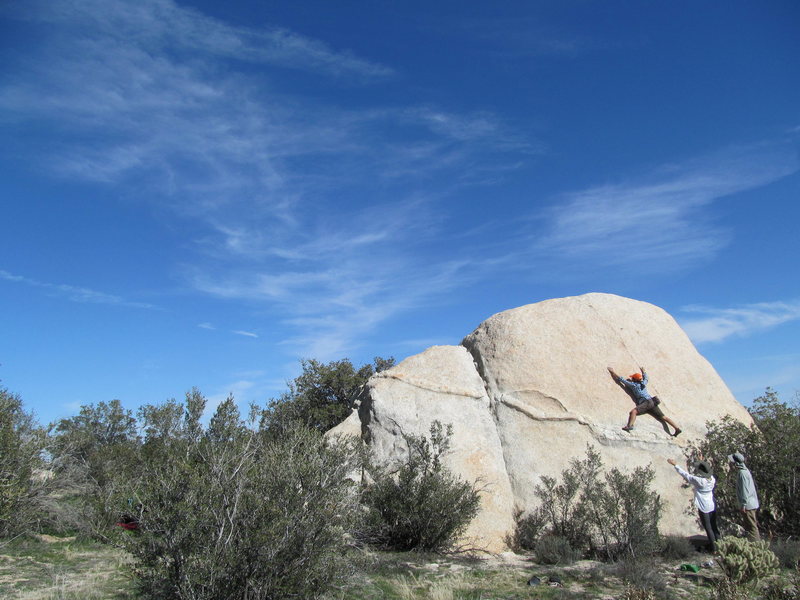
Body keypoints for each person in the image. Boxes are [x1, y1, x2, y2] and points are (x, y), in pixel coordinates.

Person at [607, 366, 681, 436]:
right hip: (652, 402)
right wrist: (643, 371)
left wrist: (613, 372)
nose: (631, 379)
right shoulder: (643, 383)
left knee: (633, 412)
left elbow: (622, 380)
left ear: (635, 380)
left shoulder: (634, 385)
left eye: (632, 378)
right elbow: (646, 378)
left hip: (646, 403)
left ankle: (630, 426)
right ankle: (677, 428)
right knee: (663, 417)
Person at [668, 456, 720, 552]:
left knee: (708, 528)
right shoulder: (712, 479)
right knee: (714, 526)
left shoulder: (700, 481)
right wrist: (701, 461)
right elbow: (704, 469)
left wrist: (675, 465)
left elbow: (686, 475)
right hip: (711, 503)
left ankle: (714, 549)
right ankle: (721, 546)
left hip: (703, 505)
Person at [728, 452, 760, 540]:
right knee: (750, 527)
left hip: (748, 505)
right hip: (751, 503)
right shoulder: (745, 471)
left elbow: (745, 490)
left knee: (752, 527)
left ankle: (757, 547)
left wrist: (743, 505)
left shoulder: (742, 473)